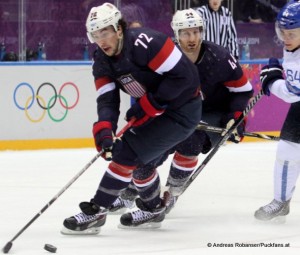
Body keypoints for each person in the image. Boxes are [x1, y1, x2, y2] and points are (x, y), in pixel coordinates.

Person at [61, 2, 202, 234]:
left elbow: (187, 77)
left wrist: (151, 103)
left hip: (184, 109)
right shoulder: (102, 61)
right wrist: (105, 130)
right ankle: (153, 208)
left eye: (105, 32)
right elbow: (107, 101)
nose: (101, 40)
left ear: (118, 28)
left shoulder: (146, 43)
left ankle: (96, 210)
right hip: (160, 111)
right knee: (139, 164)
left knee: (126, 153)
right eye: (95, 35)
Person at [110, 8, 253, 215]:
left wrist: (237, 116)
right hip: (181, 111)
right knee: (147, 150)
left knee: (191, 139)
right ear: (176, 34)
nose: (192, 38)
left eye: (195, 32)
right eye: (185, 33)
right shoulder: (164, 57)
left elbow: (243, 91)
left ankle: (173, 191)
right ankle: (129, 194)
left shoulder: (220, 58)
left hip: (213, 112)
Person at [254, 0, 300, 222]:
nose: (286, 39)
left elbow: (292, 93)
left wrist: (271, 81)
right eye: (283, 33)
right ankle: (281, 201)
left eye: (291, 33)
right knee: (287, 151)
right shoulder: (294, 44)